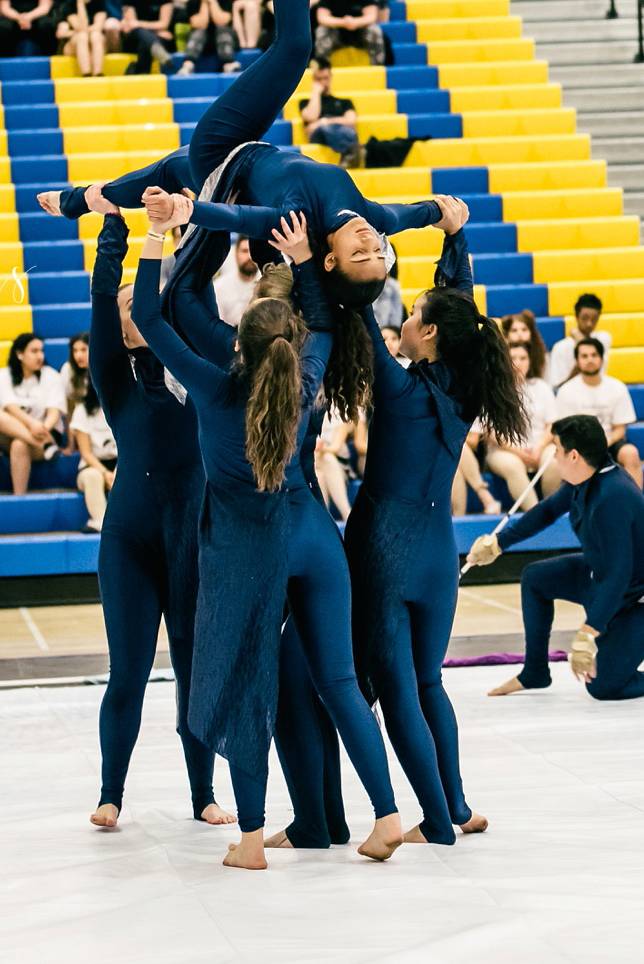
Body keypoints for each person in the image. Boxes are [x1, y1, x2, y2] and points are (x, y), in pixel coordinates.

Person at [132, 196, 404, 869]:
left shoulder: (214, 383)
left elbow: (146, 316)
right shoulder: (307, 374)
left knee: (247, 684)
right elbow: (327, 323)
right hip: (314, 532)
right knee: (339, 682)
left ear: (239, 337)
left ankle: (250, 839)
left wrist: (157, 237)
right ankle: (389, 814)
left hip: (248, 544)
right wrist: (307, 262)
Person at [39, 0, 449, 334]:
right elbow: (411, 215)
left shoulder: (296, 226)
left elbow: (240, 219)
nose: (371, 244)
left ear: (329, 257)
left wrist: (186, 213)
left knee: (293, 49)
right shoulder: (372, 219)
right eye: (378, 254)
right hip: (245, 153)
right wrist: (445, 212)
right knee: (168, 169)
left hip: (220, 156)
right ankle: (82, 200)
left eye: (358, 255)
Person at [340, 199, 524, 846]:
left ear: (430, 335)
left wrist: (339, 261)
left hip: (385, 551)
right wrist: (455, 238)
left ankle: (436, 822)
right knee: (427, 683)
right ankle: (458, 804)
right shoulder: (464, 384)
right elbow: (461, 305)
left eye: (414, 316)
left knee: (393, 693)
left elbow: (359, 307)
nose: (405, 320)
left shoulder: (396, 386)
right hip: (436, 554)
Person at [86, 214, 233, 830]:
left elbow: (187, 285)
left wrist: (177, 231)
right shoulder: (116, 381)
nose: (132, 307)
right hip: (131, 542)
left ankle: (203, 792)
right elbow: (104, 299)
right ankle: (110, 793)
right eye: (126, 305)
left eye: (140, 300)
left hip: (194, 538)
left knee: (196, 670)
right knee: (129, 673)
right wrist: (114, 231)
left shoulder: (199, 365)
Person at [467, 414, 644, 701]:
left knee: (603, 686)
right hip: (605, 579)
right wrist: (497, 543)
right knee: (535, 578)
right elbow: (546, 512)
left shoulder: (613, 497)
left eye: (556, 450)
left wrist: (588, 632)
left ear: (573, 455)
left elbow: (619, 574)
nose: (553, 456)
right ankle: (534, 672)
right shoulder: (583, 479)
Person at [549, 338, 642, 488]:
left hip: (609, 442)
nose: (590, 360)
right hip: (578, 446)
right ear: (577, 361)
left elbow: (620, 428)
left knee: (630, 453)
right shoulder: (566, 391)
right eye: (584, 356)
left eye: (594, 355)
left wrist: (604, 443)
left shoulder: (617, 387)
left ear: (601, 358)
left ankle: (636, 506)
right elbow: (565, 431)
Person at [479, 341, 559, 509]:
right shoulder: (492, 389)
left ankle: (551, 510)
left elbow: (552, 424)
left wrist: (539, 448)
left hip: (539, 446)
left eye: (523, 358)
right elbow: (491, 431)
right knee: (513, 465)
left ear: (529, 361)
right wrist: (518, 452)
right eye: (513, 358)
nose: (519, 363)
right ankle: (534, 513)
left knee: (554, 459)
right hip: (504, 449)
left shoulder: (542, 388)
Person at [0, 332, 67, 494]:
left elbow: (54, 411)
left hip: (46, 433)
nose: (40, 356)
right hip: (19, 434)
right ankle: (44, 446)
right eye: (34, 351)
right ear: (19, 354)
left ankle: (19, 498)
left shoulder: (51, 375)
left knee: (19, 444)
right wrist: (33, 425)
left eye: (41, 351)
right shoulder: (3, 375)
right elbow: (11, 408)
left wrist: (43, 428)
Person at [315, 0, 388, 66]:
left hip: (359, 30)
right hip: (337, 31)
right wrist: (343, 22)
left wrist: (355, 22)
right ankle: (323, 70)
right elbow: (322, 17)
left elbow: (371, 16)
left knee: (375, 31)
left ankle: (377, 67)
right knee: (321, 32)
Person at [70, 382, 118, 532]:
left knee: (128, 474)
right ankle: (101, 522)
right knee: (93, 476)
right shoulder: (82, 411)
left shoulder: (126, 407)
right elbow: (86, 453)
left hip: (121, 463)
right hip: (91, 466)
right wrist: (106, 473)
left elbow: (130, 448)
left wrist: (118, 470)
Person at [177, 0, 239, 75]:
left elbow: (222, 21)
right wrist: (204, 2)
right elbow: (200, 24)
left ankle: (228, 64)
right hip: (202, 42)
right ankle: (188, 65)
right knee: (198, 32)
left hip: (225, 40)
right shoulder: (193, 0)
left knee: (222, 29)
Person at [299, 57, 360, 165]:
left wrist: (322, 122)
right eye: (319, 79)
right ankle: (352, 152)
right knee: (326, 129)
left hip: (340, 131)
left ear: (331, 77)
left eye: (326, 78)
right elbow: (311, 117)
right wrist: (316, 93)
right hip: (320, 136)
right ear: (313, 80)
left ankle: (350, 153)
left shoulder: (344, 102)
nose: (323, 82)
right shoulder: (305, 102)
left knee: (348, 131)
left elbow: (351, 120)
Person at [120, 0, 175, 74]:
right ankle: (157, 50)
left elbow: (164, 24)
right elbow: (132, 25)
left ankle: (142, 73)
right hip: (135, 38)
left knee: (145, 44)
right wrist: (154, 30)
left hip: (156, 38)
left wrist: (141, 25)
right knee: (139, 32)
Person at [548, 293, 613, 387]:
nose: (589, 324)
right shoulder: (560, 347)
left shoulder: (603, 339)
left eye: (594, 319)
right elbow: (557, 387)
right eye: (585, 318)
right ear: (576, 316)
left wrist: (576, 335)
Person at [56, 0, 106, 76]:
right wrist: (80, 3)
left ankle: (98, 74)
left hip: (93, 42)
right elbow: (81, 27)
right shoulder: (69, 4)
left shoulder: (99, 0)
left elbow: (98, 26)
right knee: (82, 36)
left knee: (96, 35)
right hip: (72, 46)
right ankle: (86, 74)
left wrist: (71, 32)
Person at [213, 235, 259, 324]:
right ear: (236, 253)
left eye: (253, 251)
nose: (249, 257)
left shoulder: (269, 284)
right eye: (245, 251)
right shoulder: (220, 287)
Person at [60, 332, 90, 447]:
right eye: (75, 350)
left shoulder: (105, 368)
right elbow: (70, 409)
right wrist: (70, 444)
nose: (78, 355)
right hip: (83, 425)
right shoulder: (68, 370)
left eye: (83, 350)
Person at [501, 310, 549, 382]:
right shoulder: (501, 357)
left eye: (524, 329)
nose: (520, 334)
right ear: (506, 335)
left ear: (531, 333)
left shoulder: (542, 356)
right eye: (514, 330)